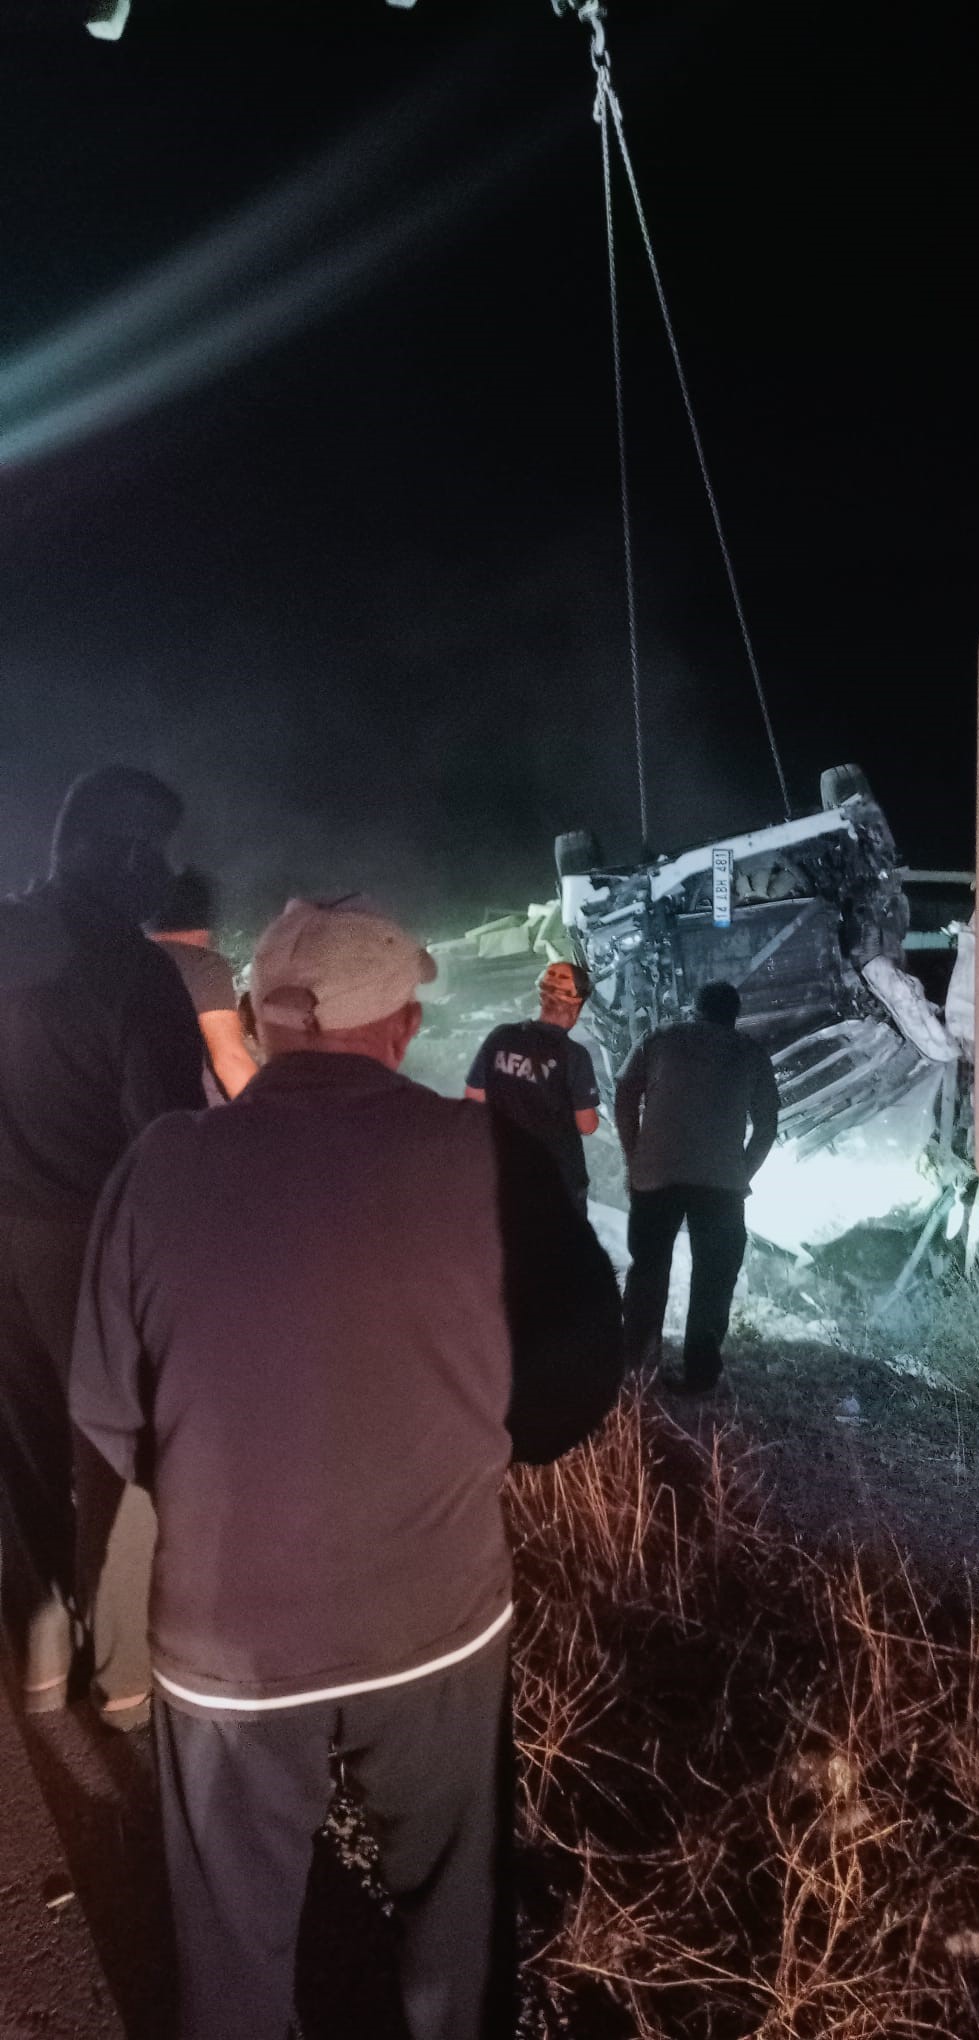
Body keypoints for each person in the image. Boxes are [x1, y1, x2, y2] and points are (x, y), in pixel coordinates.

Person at [70, 896, 624, 2040]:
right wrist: (476, 1446)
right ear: (403, 1023)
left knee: (231, 1938)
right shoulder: (488, 1159)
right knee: (453, 1906)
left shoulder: (158, 1166)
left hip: (229, 1645)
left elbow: (107, 1414)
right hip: (437, 1618)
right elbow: (579, 1369)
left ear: (264, 1025)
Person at [0, 766, 205, 1725]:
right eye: (152, 851)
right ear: (115, 853)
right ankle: (120, 1674)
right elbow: (163, 1140)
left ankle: (42, 1646)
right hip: (85, 1245)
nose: (161, 873)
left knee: (24, 1451)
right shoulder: (133, 970)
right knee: (116, 1454)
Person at [614, 979, 779, 1395]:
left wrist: (632, 1155)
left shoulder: (660, 1039)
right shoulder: (751, 1053)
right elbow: (767, 1124)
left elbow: (624, 1092)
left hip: (656, 1173)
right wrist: (744, 1170)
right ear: (734, 1015)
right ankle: (700, 1375)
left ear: (695, 1009)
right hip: (722, 1184)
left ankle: (637, 1365)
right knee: (714, 1277)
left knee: (648, 1270)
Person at [465, 959, 600, 1209]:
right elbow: (587, 1125)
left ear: (541, 997)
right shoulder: (574, 1056)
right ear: (576, 1005)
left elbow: (473, 1096)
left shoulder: (501, 1036)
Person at [148, 865, 259, 1101]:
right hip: (188, 1117)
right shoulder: (203, 966)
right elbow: (230, 1060)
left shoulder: (118, 962)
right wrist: (272, 1121)